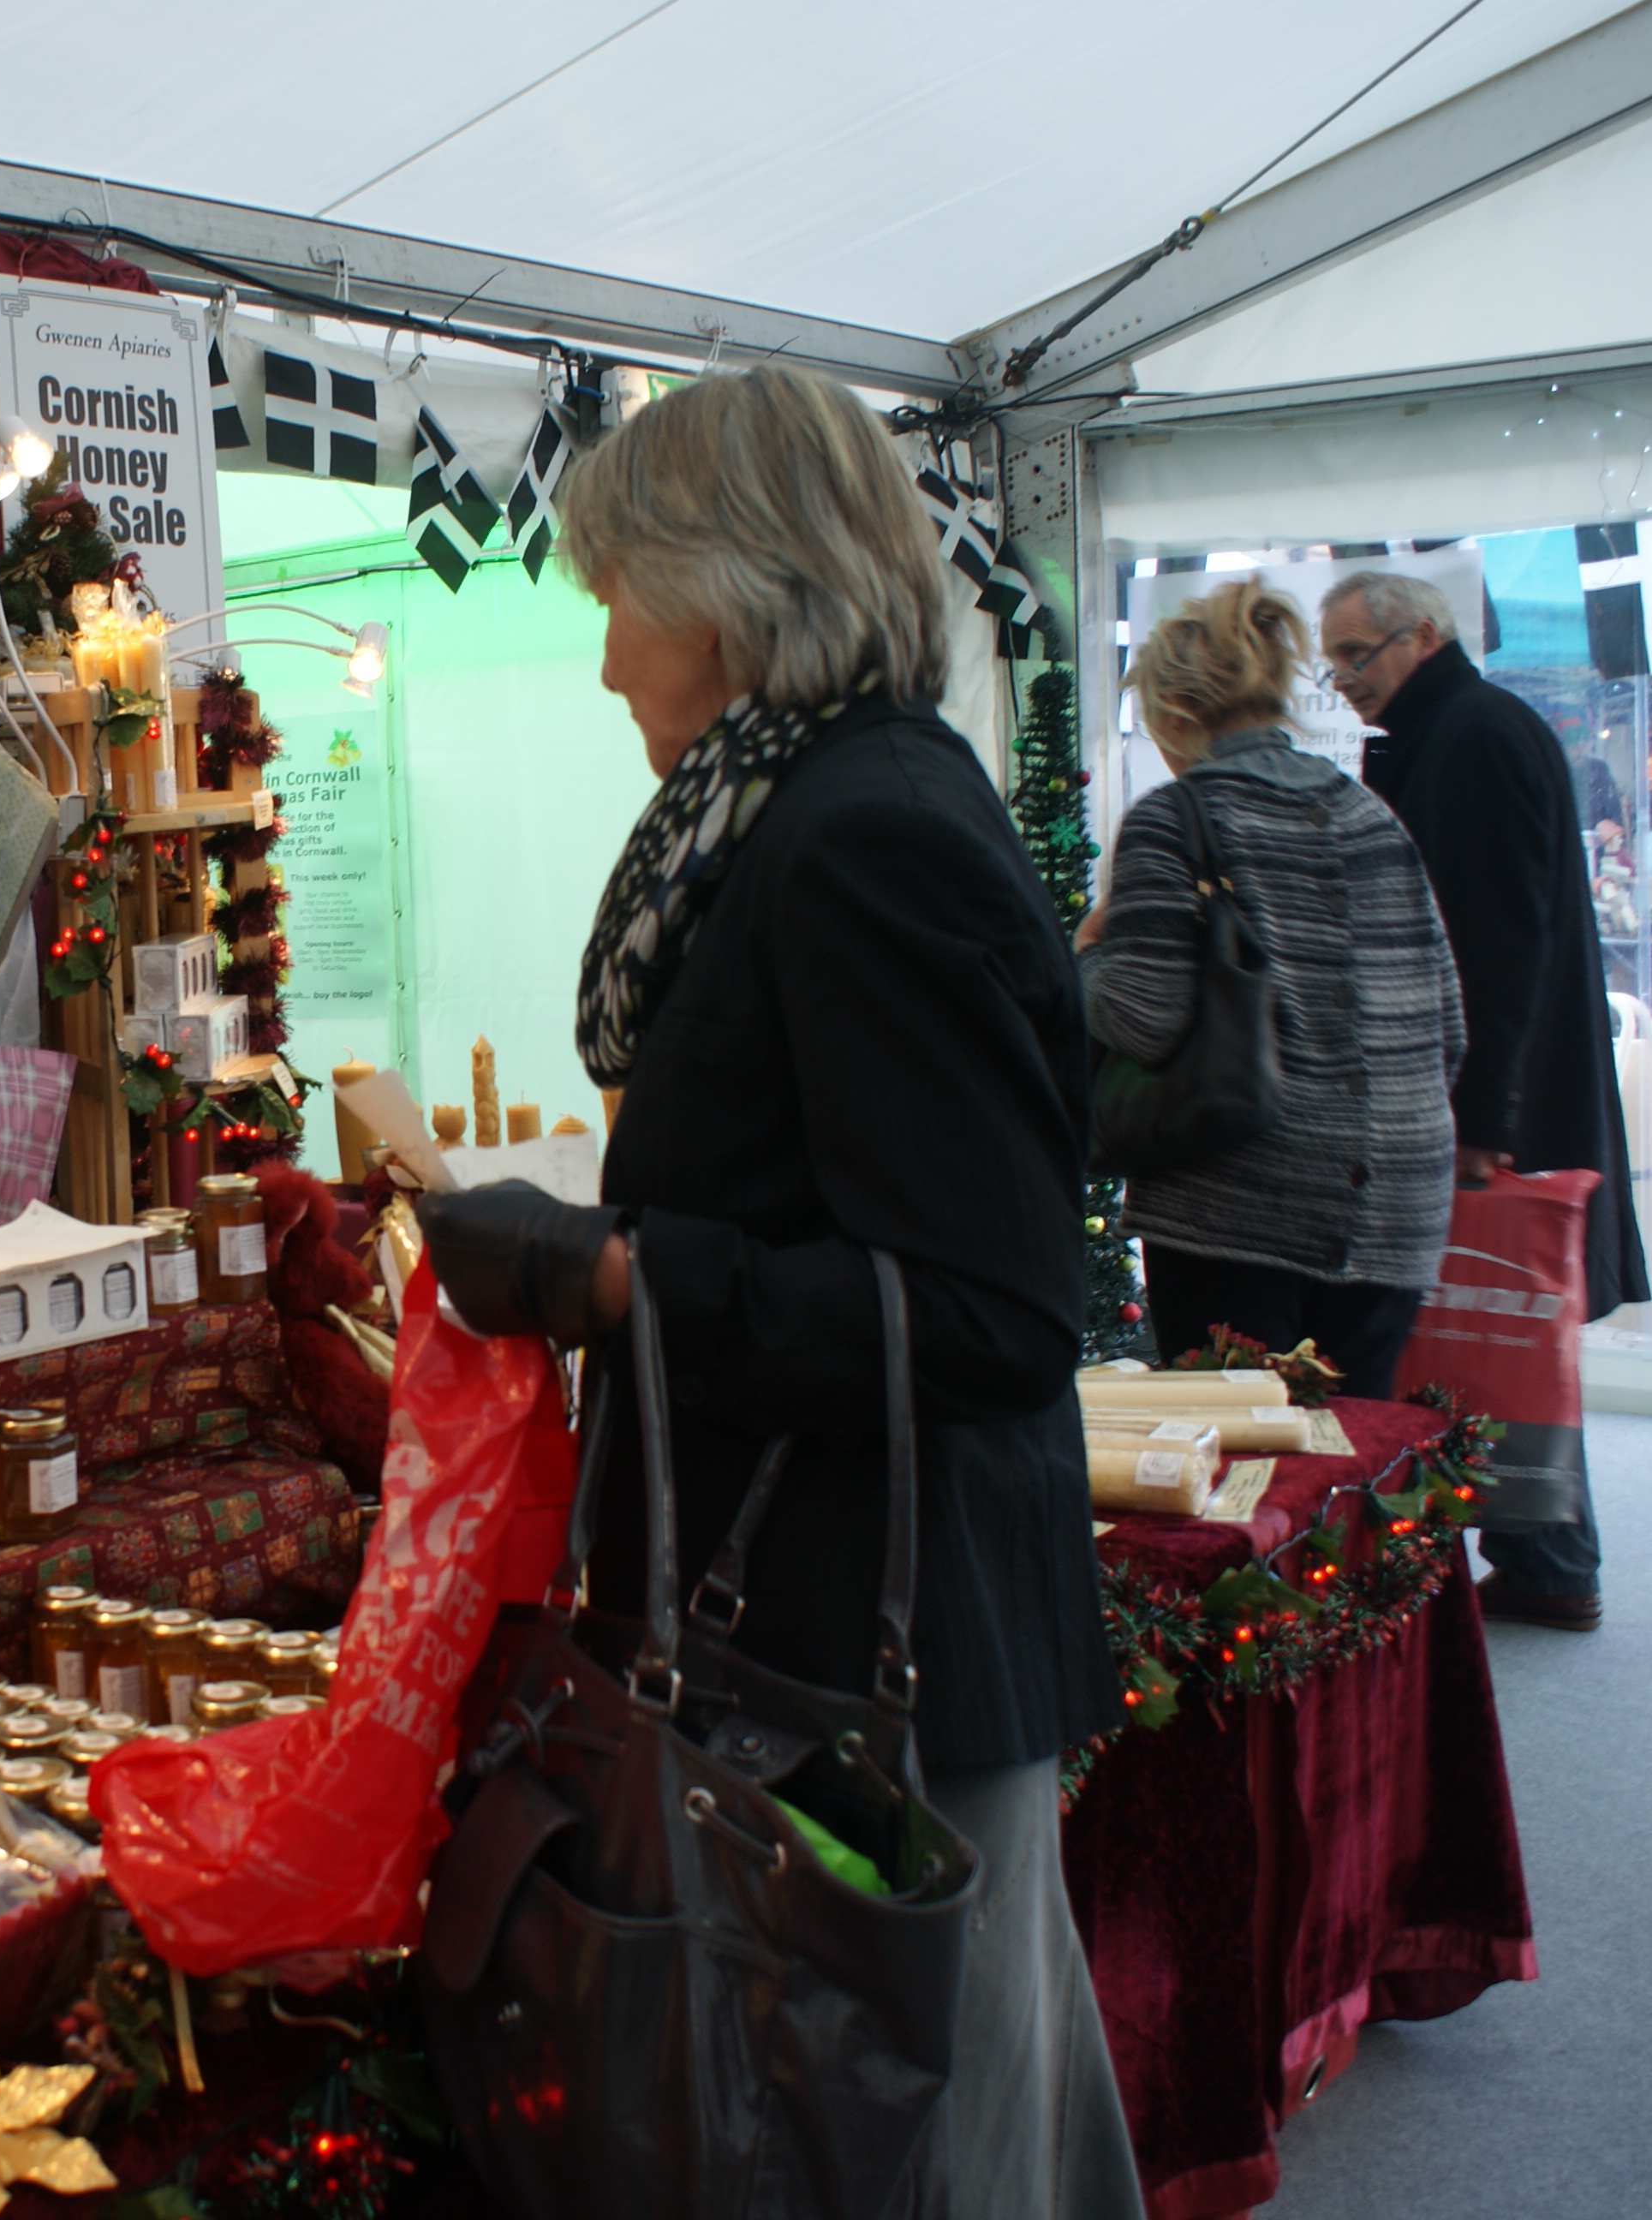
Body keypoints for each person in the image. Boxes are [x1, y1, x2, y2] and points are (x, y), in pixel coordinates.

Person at [414, 367, 1138, 2219]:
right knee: (935, 2109)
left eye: (615, 605)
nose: (603, 667)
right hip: (818, 1604)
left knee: (927, 2130)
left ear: (732, 588)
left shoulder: (862, 827)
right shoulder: (786, 811)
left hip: (873, 1628)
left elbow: (989, 1313)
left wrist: (618, 1276)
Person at [1322, 570, 1647, 1632]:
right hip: (1495, 1089)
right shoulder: (1464, 728)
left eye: (1355, 658)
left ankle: (1549, 1556)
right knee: (1496, 1332)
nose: (1344, 683)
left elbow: (1491, 949)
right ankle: (1543, 1554)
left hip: (1490, 1101)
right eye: (1331, 666)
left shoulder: (1469, 739)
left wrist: (1480, 1123)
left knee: (1492, 1329)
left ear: (1421, 636)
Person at [1073, 582, 1464, 1399]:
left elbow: (1142, 1019)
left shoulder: (1175, 818)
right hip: (1399, 1203)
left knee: (1247, 1484)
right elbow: (1448, 1032)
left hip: (1238, 1206)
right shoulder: (1369, 815)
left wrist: (1082, 955)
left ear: (1175, 710)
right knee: (1349, 1468)